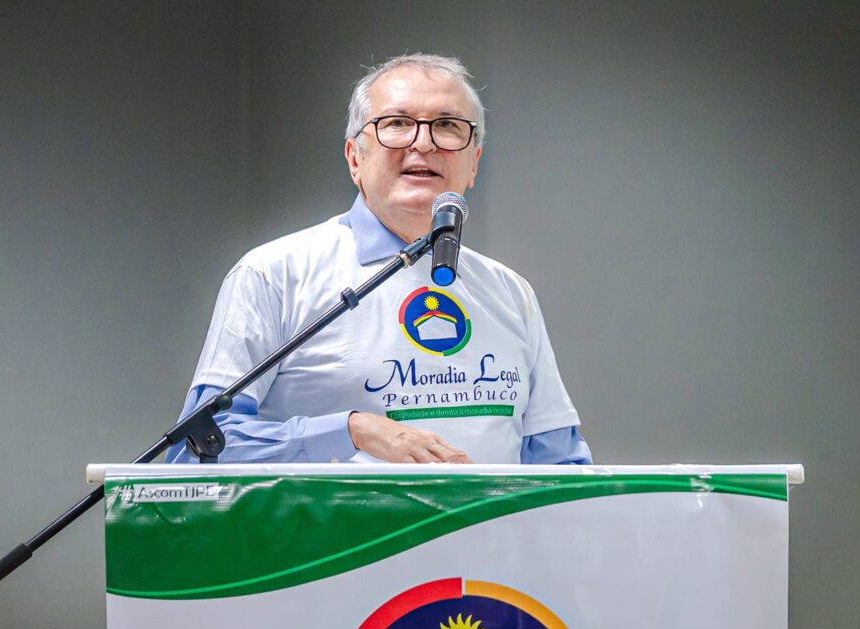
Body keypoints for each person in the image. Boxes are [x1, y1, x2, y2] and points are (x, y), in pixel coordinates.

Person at [166, 53, 591, 465]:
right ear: (355, 158)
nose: (423, 142)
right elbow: (196, 448)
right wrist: (351, 431)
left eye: (447, 125)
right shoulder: (273, 275)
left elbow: (560, 464)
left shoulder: (510, 292)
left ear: (474, 163)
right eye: (397, 123)